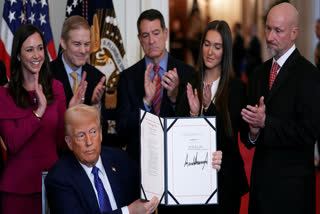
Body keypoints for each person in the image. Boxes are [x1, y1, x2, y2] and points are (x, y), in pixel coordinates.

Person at [240, 3, 320, 214]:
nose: (270, 36)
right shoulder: (258, 74)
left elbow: (309, 132)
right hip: (260, 186)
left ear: (294, 33)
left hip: (292, 190)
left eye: (278, 30)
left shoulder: (309, 76)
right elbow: (248, 138)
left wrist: (267, 122)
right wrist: (254, 132)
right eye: (268, 28)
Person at [176, 20, 249, 214]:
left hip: (225, 181)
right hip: (192, 181)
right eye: (207, 44)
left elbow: (230, 137)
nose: (210, 52)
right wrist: (193, 114)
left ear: (226, 51)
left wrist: (208, 108)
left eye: (217, 47)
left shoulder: (236, 88)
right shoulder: (189, 82)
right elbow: (179, 136)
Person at [0, 24, 67, 214]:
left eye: (39, 48)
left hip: (52, 185)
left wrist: (73, 115)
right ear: (19, 55)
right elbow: (12, 143)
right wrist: (39, 110)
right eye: (29, 49)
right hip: (17, 192)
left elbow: (62, 143)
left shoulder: (57, 88)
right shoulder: (4, 95)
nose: (36, 55)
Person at [45, 104, 159, 214]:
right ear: (69, 142)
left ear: (100, 134)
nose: (89, 142)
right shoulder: (59, 178)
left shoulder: (121, 160)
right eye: (81, 135)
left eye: (93, 132)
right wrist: (129, 211)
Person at [116, 9, 194, 162]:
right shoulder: (127, 78)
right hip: (139, 164)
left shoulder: (188, 73)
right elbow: (122, 130)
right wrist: (145, 103)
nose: (151, 41)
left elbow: (193, 128)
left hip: (177, 159)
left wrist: (174, 98)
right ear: (139, 39)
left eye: (156, 33)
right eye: (145, 35)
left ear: (165, 33)